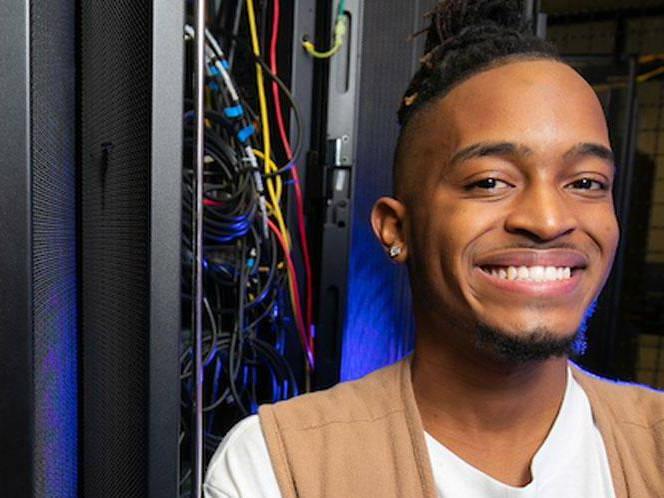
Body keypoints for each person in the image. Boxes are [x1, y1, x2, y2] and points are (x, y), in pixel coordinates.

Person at [205, 1, 664, 496]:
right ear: (396, 230)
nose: (549, 221)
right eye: (490, 181)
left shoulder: (654, 443)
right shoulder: (278, 467)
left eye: (586, 182)